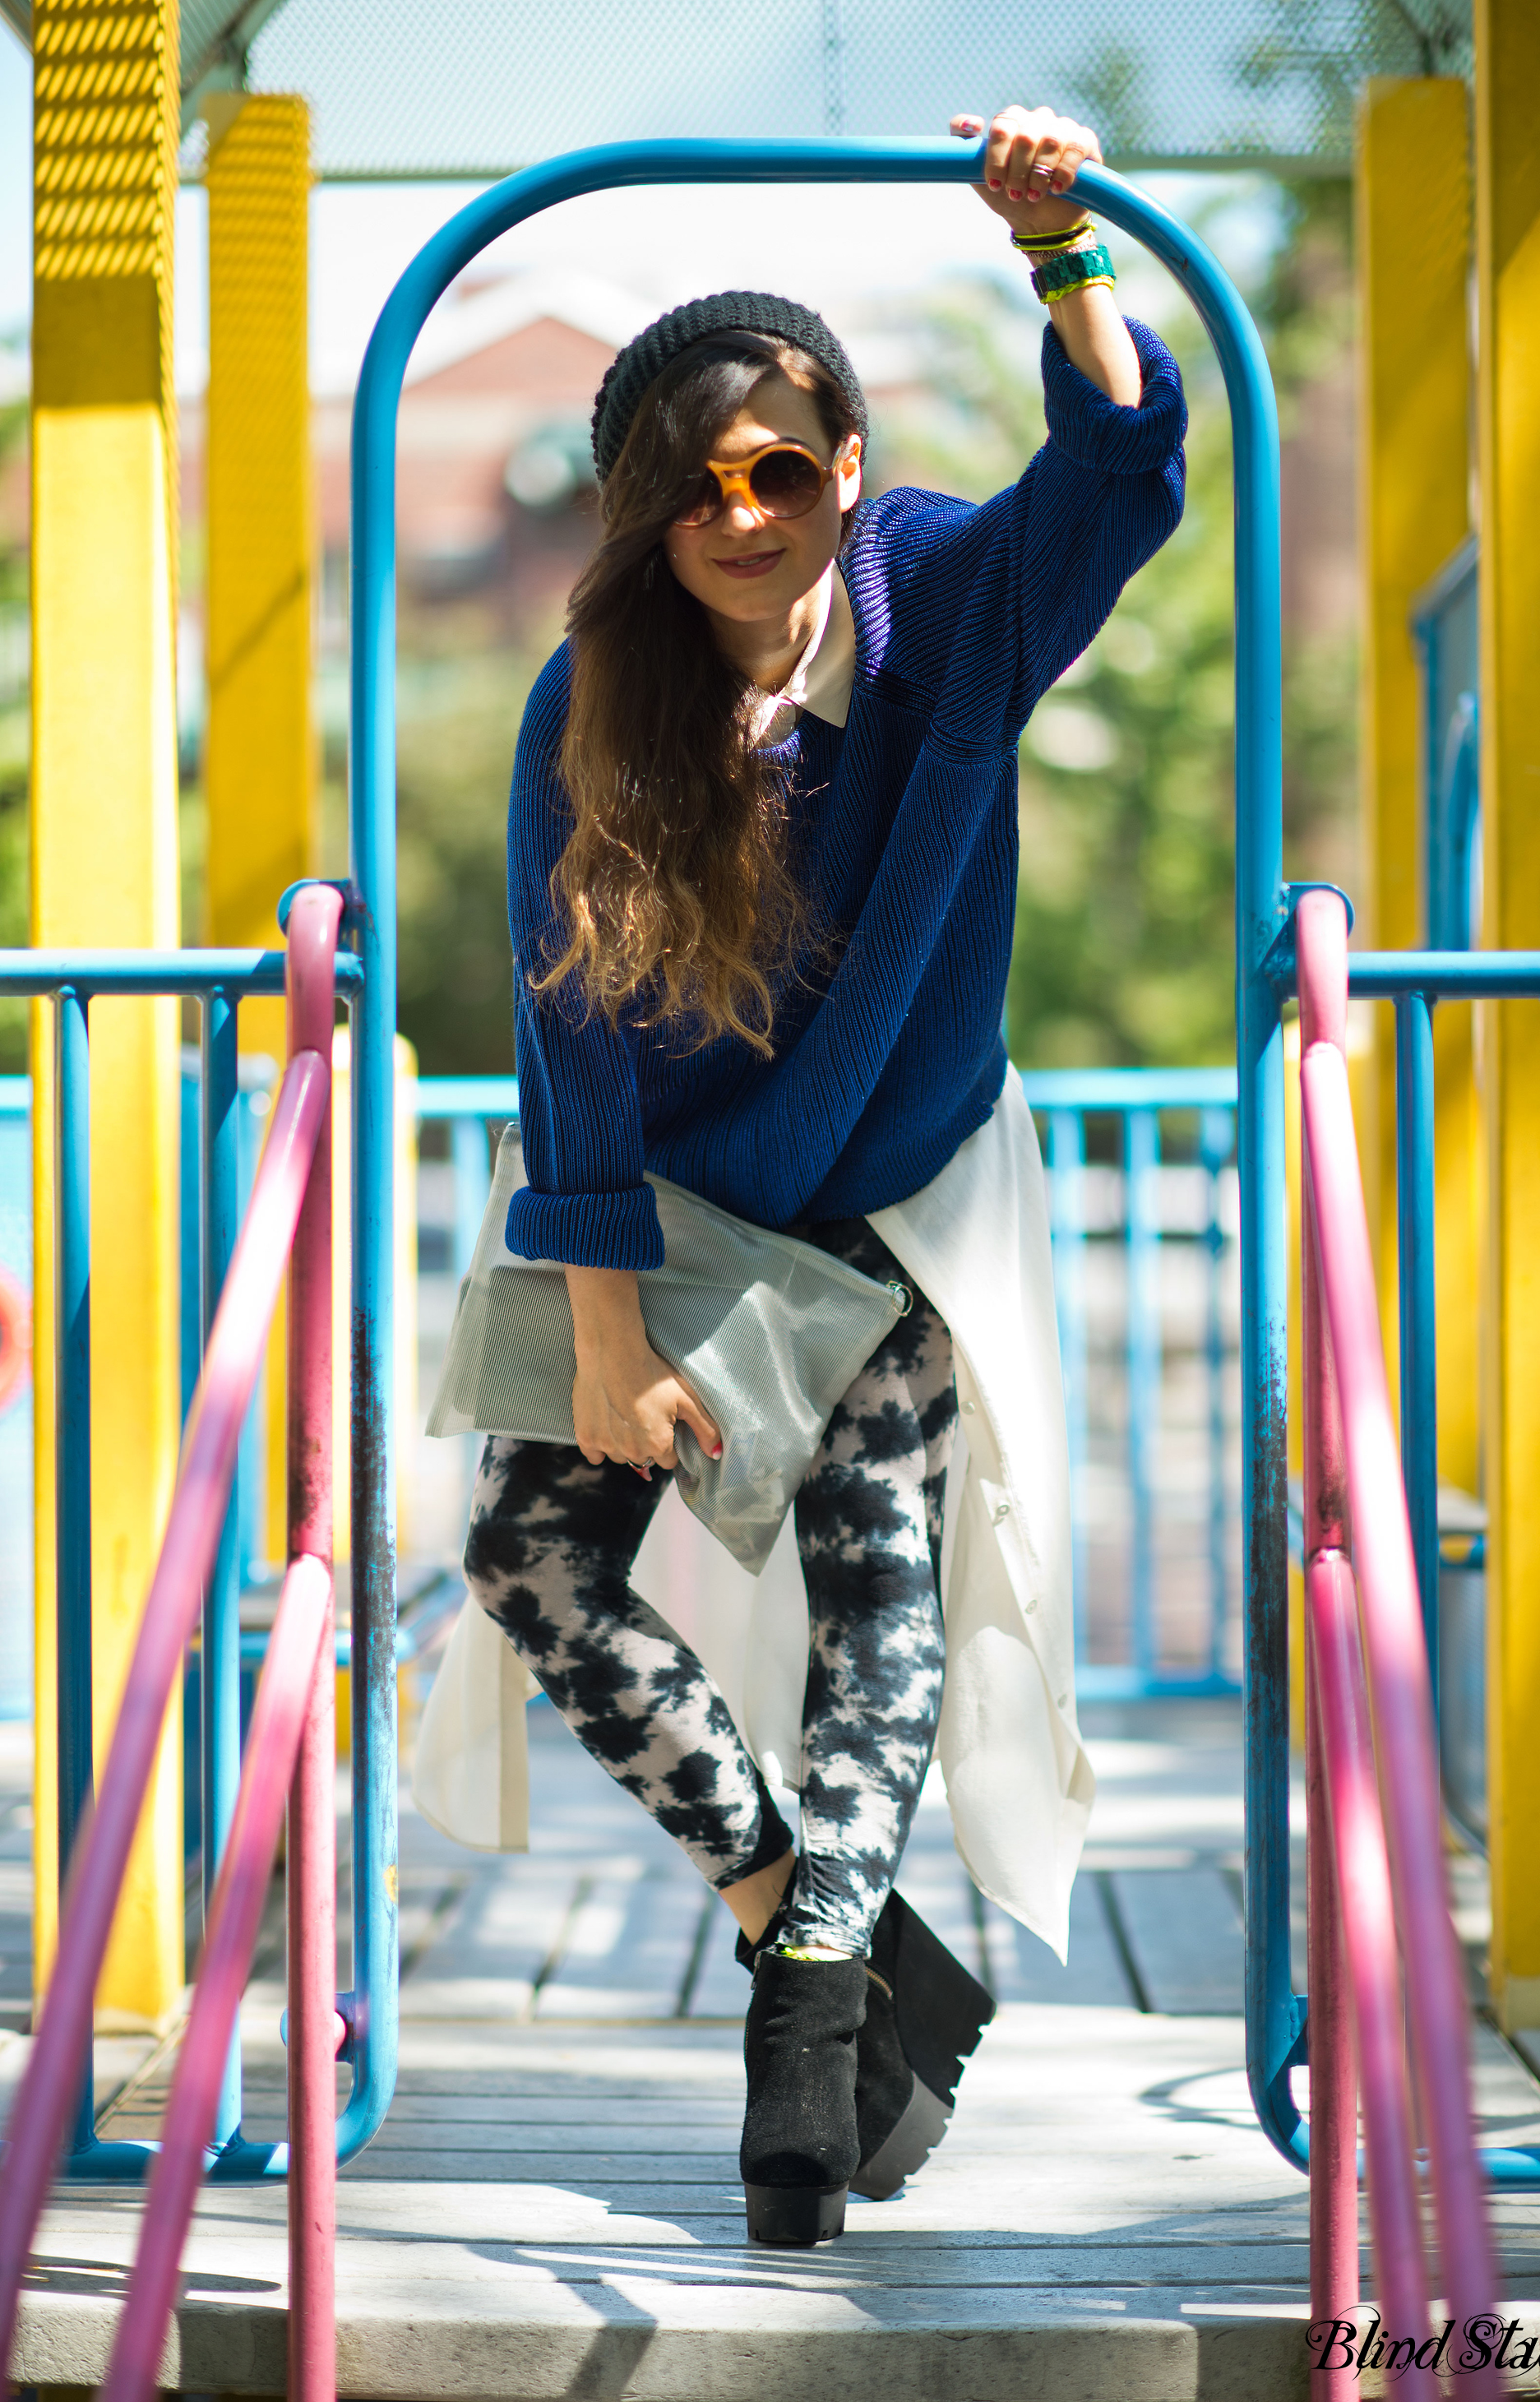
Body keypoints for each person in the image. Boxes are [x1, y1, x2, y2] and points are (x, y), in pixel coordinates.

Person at [458, 105, 1187, 2244]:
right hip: (678, 1206)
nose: (744, 507)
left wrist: (1063, 257)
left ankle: (803, 2053)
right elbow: (561, 1020)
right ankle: (828, 1929)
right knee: (527, 1549)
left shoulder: (954, 596)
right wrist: (601, 1311)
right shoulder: (591, 702)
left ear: (845, 462)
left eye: (783, 461)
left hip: (899, 1180)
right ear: (642, 512)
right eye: (696, 480)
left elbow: (1130, 479)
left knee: (880, 1581)